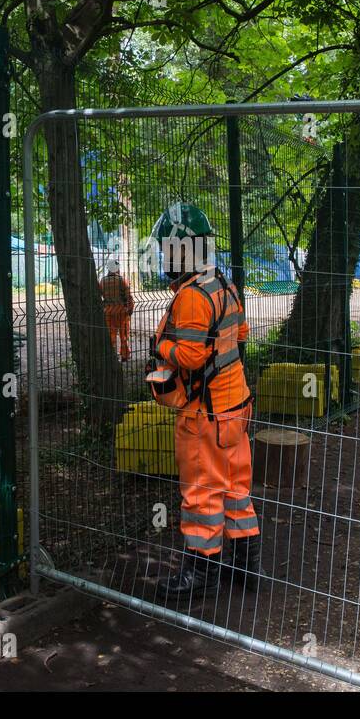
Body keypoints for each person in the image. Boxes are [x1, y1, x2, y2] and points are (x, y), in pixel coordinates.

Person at [147, 202, 259, 599]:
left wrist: (161, 344)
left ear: (181, 250)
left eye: (166, 249)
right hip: (235, 406)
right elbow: (241, 333)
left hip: (205, 413)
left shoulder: (192, 296)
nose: (163, 257)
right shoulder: (221, 284)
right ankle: (245, 567)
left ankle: (201, 571)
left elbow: (193, 356)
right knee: (235, 487)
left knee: (201, 493)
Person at [98, 257, 134, 362]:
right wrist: (130, 309)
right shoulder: (122, 280)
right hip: (121, 311)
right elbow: (128, 297)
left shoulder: (103, 281)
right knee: (124, 335)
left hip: (108, 311)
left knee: (111, 335)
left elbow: (100, 295)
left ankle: (111, 357)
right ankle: (124, 355)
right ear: (117, 268)